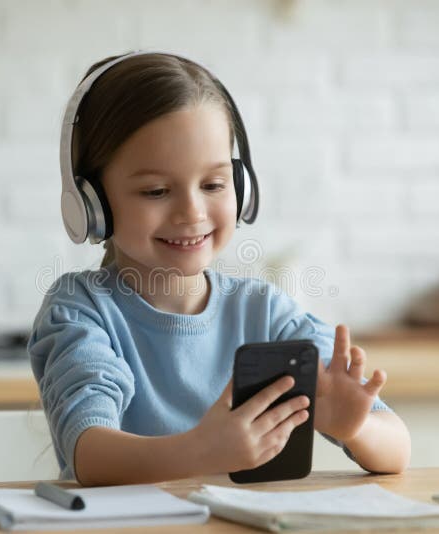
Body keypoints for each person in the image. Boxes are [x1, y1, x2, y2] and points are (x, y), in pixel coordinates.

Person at [29, 51, 411, 486]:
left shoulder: (264, 314)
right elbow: (90, 454)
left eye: (213, 184)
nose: (192, 211)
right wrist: (203, 450)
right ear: (92, 203)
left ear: (241, 187)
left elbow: (397, 447)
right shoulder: (81, 311)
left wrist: (353, 428)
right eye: (156, 191)